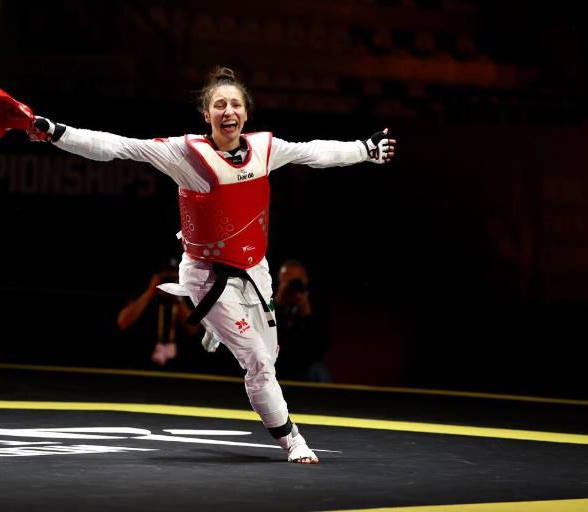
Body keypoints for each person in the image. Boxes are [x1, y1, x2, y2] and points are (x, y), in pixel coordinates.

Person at [25, 66, 397, 464]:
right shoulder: (185, 155)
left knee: (268, 358)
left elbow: (315, 152)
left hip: (257, 273)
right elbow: (117, 146)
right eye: (219, 104)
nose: (228, 110)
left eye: (235, 103)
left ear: (246, 113)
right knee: (256, 360)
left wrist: (364, 150)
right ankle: (293, 439)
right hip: (207, 277)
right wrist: (53, 131)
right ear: (207, 114)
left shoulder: (266, 150)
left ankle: (215, 327)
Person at [116, 258, 202, 367]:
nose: (169, 281)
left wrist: (178, 298)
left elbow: (193, 330)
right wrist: (150, 292)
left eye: (173, 277)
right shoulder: (143, 290)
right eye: (165, 277)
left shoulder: (187, 294)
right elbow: (122, 322)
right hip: (139, 364)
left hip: (180, 366)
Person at [274, 259, 332, 383]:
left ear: (304, 282)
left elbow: (320, 346)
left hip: (304, 362)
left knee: (319, 370)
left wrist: (306, 311)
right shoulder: (270, 305)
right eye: (287, 280)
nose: (291, 285)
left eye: (296, 281)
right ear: (279, 280)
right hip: (275, 361)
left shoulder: (315, 306)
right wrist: (277, 304)